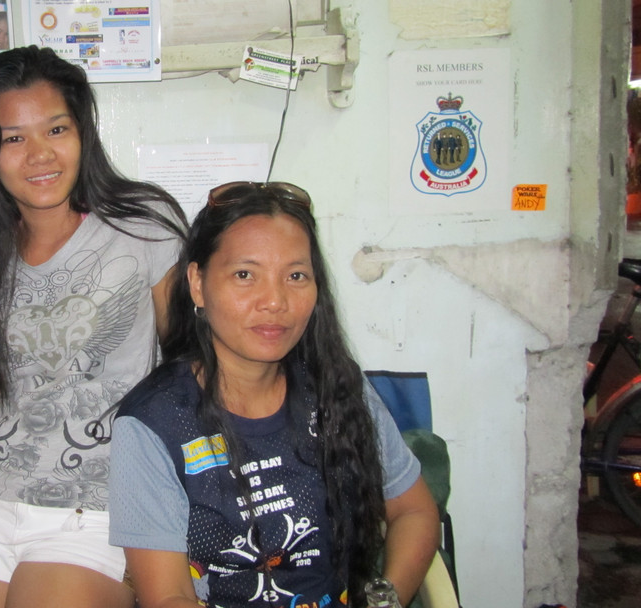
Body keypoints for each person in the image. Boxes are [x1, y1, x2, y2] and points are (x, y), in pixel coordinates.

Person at [109, 182, 441, 608]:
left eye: (296, 276)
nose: (275, 301)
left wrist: (384, 600)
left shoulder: (337, 386)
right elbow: (168, 597)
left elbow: (414, 510)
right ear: (197, 284)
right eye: (245, 275)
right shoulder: (152, 422)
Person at [0, 45, 187, 608]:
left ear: (82, 131)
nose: (40, 155)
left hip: (96, 507)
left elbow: (187, 371)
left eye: (56, 129)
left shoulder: (144, 225)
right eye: (13, 138)